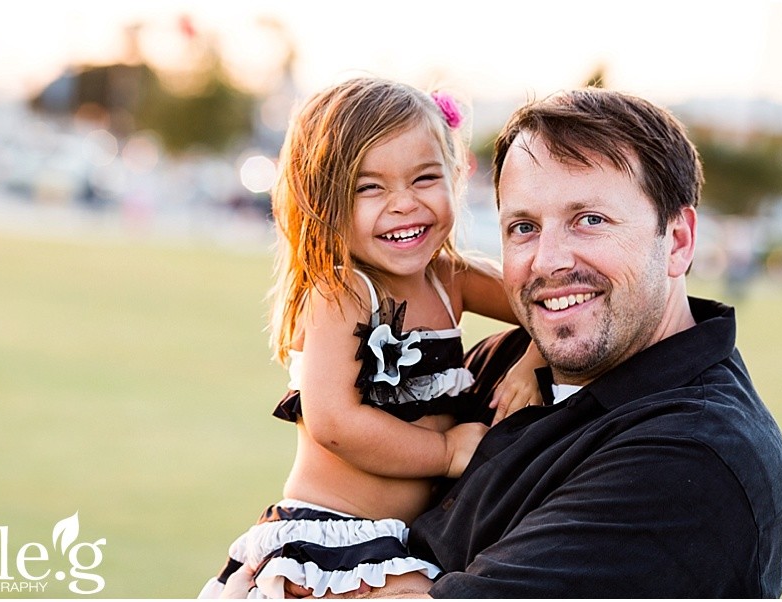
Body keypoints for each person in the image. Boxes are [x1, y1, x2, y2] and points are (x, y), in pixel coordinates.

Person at [221, 87, 782, 598]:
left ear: (677, 239)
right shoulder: (497, 363)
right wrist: (529, 356)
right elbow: (339, 423)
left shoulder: (688, 458)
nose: (548, 261)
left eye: (589, 220)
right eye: (523, 227)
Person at [198, 77, 544, 599]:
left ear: (454, 176)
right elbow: (335, 423)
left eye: (424, 178)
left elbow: (546, 305)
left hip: (407, 542)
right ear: (325, 200)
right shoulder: (342, 293)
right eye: (369, 187)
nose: (403, 204)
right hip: (332, 539)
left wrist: (533, 360)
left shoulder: (452, 279)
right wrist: (447, 451)